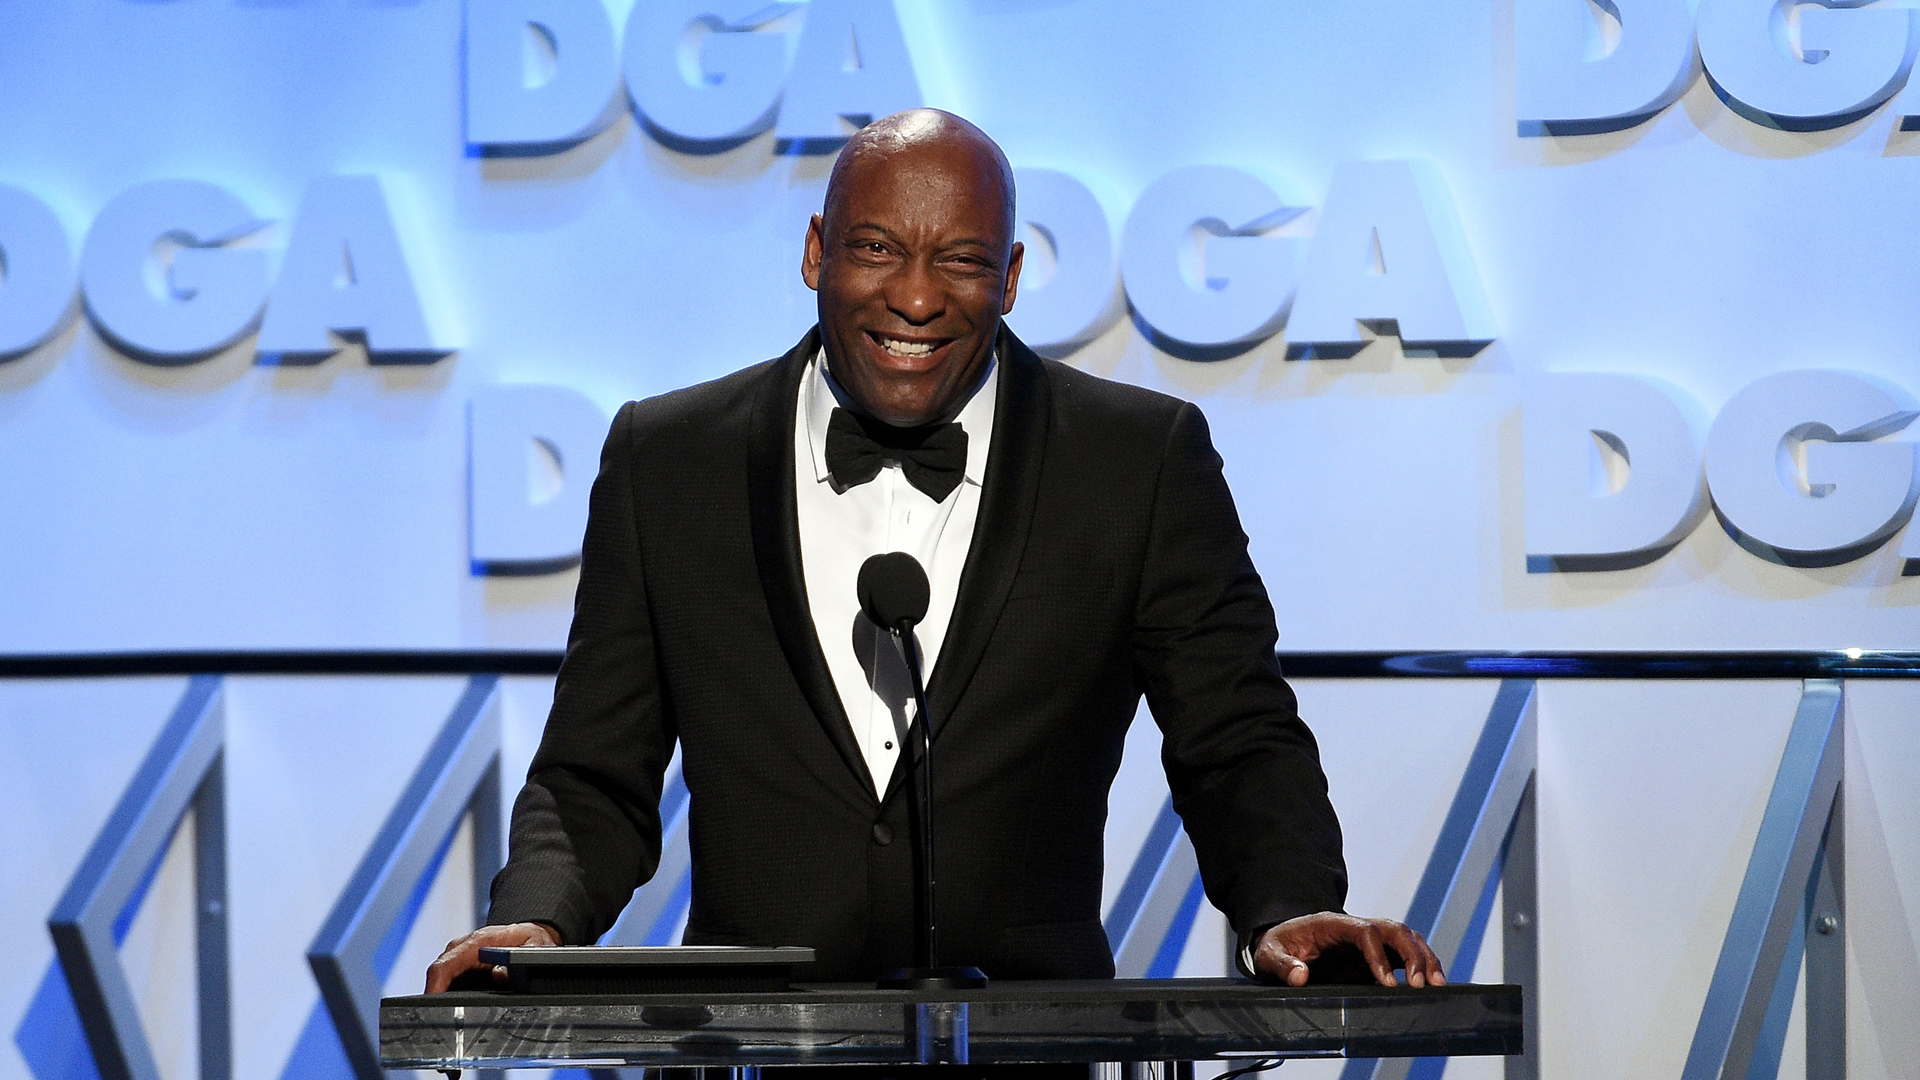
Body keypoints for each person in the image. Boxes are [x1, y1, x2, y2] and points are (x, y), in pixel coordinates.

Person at [427, 109, 1442, 993]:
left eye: (959, 260)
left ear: (1008, 277)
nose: (915, 298)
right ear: (816, 252)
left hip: (1025, 1054)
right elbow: (593, 773)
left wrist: (1289, 908)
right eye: (876, 249)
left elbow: (1235, 740)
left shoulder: (1136, 463)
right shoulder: (669, 460)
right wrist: (538, 923)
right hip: (748, 1058)